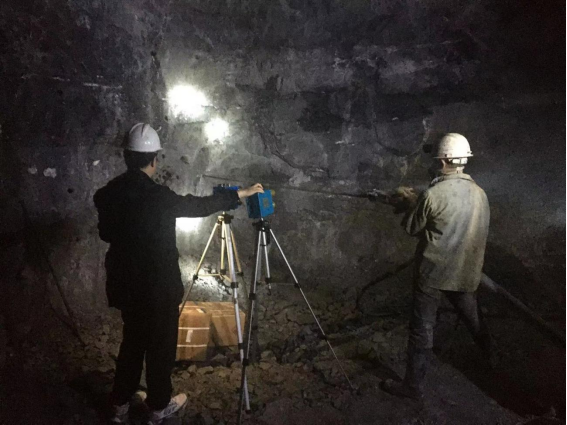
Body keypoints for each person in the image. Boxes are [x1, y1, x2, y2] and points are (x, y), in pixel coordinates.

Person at [94, 123, 263, 424]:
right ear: (154, 159)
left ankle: (119, 403)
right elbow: (198, 205)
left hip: (126, 286)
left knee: (132, 342)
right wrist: (241, 194)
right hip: (157, 288)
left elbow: (106, 234)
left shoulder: (107, 194)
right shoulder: (159, 197)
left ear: (126, 156)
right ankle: (158, 407)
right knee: (160, 347)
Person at [381, 133, 493, 400]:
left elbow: (412, 228)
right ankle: (493, 358)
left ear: (442, 161)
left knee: (422, 329)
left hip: (433, 274)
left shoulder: (433, 194)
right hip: (466, 271)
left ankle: (413, 386)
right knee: (473, 319)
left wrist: (412, 204)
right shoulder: (480, 194)